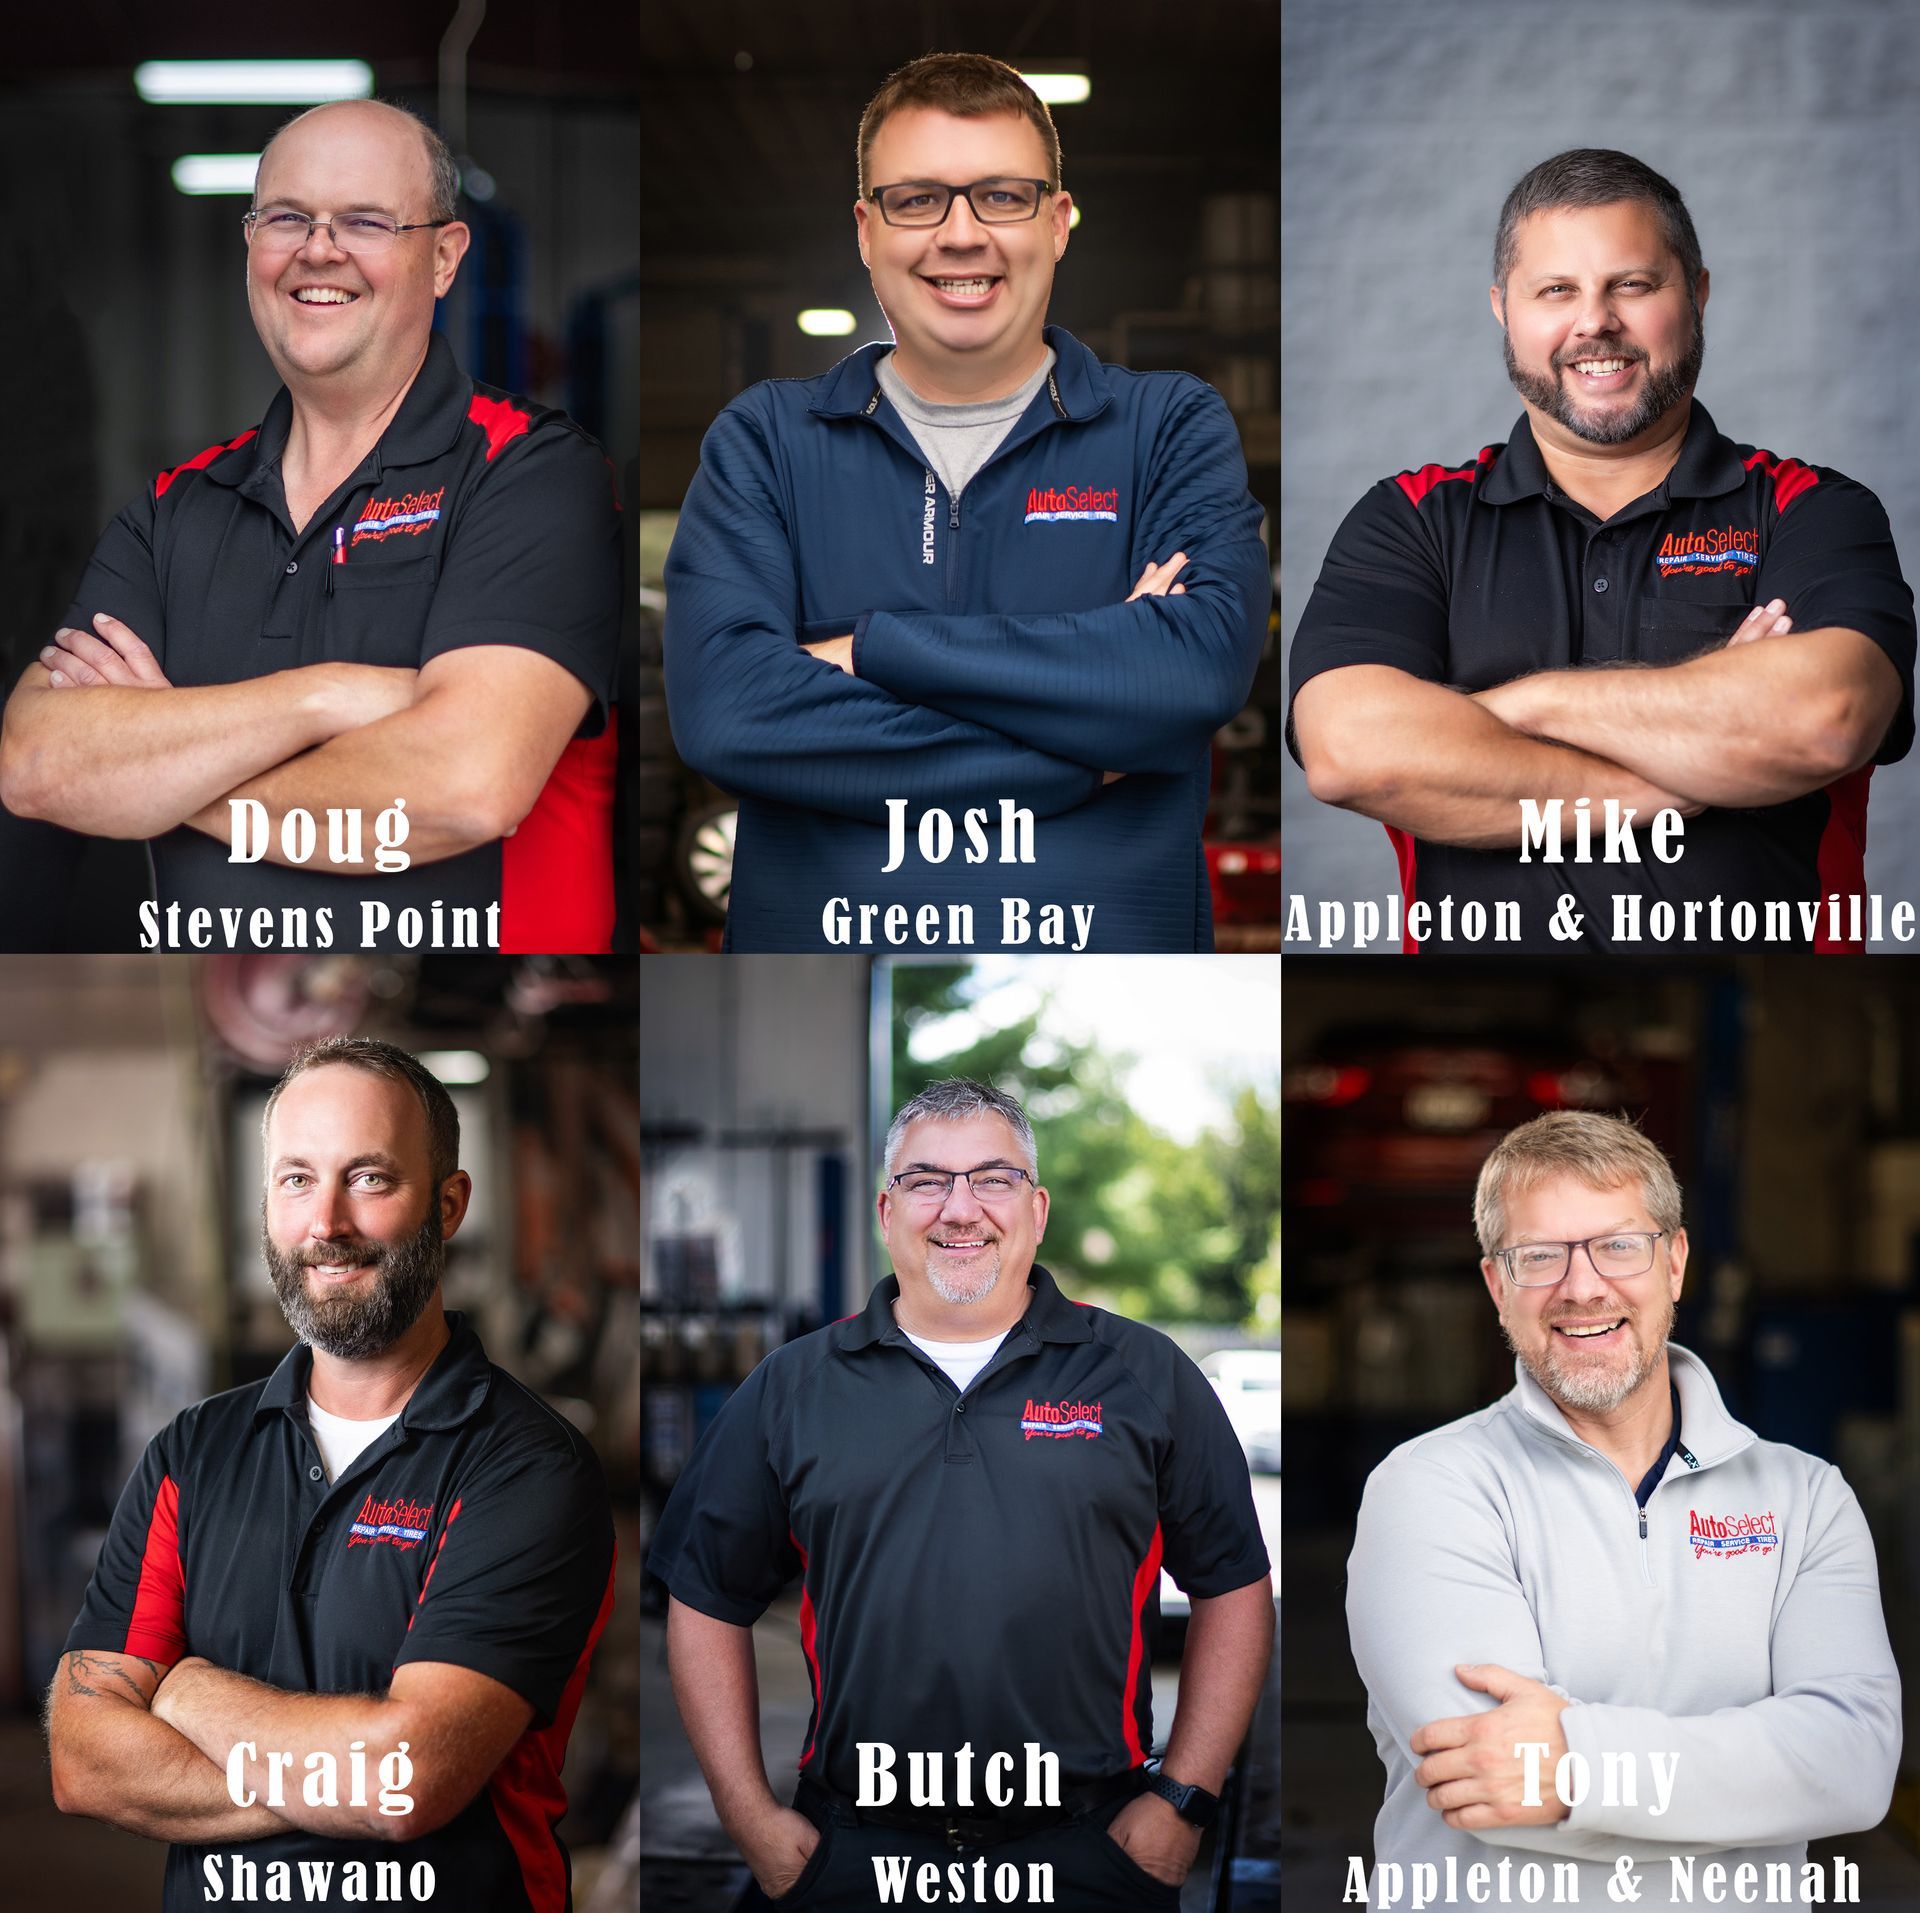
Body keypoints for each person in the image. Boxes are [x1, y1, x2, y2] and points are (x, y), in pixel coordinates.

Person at [663, 53, 1270, 953]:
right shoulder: (767, 439)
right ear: (866, 230)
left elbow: (1189, 677)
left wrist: (872, 647)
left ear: (1059, 222)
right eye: (917, 200)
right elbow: (729, 713)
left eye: (1002, 196)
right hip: (834, 957)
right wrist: (1085, 744)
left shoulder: (1167, 426)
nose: (960, 234)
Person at [0, 99, 622, 954]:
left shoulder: (534, 474)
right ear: (251, 244)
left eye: (365, 220)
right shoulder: (173, 506)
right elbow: (38, 764)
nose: (318, 249)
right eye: (287, 217)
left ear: (443, 257)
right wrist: (327, 693)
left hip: (462, 995)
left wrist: (163, 774)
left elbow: (463, 784)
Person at [647, 1078, 1274, 1909]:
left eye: (993, 1177)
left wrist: (1184, 1799)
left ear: (1038, 1208)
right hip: (854, 1853)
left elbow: (1233, 1585)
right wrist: (748, 1814)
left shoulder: (1143, 1374)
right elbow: (705, 1596)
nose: (960, 1207)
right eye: (926, 1180)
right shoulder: (791, 1387)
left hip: (1087, 1851)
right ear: (885, 1210)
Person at [1289, 149, 1917, 953]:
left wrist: (1508, 712)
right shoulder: (1410, 521)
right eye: (1557, 290)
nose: (1595, 322)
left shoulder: (1813, 509)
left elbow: (1824, 721)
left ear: (1696, 293)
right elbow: (1350, 753)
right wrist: (1685, 771)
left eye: (1633, 284)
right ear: (1502, 309)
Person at [46, 1038, 616, 1911]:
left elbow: (408, 1778)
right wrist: (338, 1776)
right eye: (297, 1178)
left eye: (371, 1178)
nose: (327, 1224)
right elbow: (83, 1758)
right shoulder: (193, 1453)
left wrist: (183, 1688)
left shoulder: (529, 1466)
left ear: (449, 1202)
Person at [1346, 1112, 1900, 1907]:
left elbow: (1853, 1767)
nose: (1582, 1286)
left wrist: (1576, 1765)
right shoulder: (1431, 1487)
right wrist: (1762, 1770)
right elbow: (1488, 1784)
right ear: (1498, 1287)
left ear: (1674, 1262)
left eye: (1619, 1244)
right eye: (1539, 1256)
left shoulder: (1806, 1499)